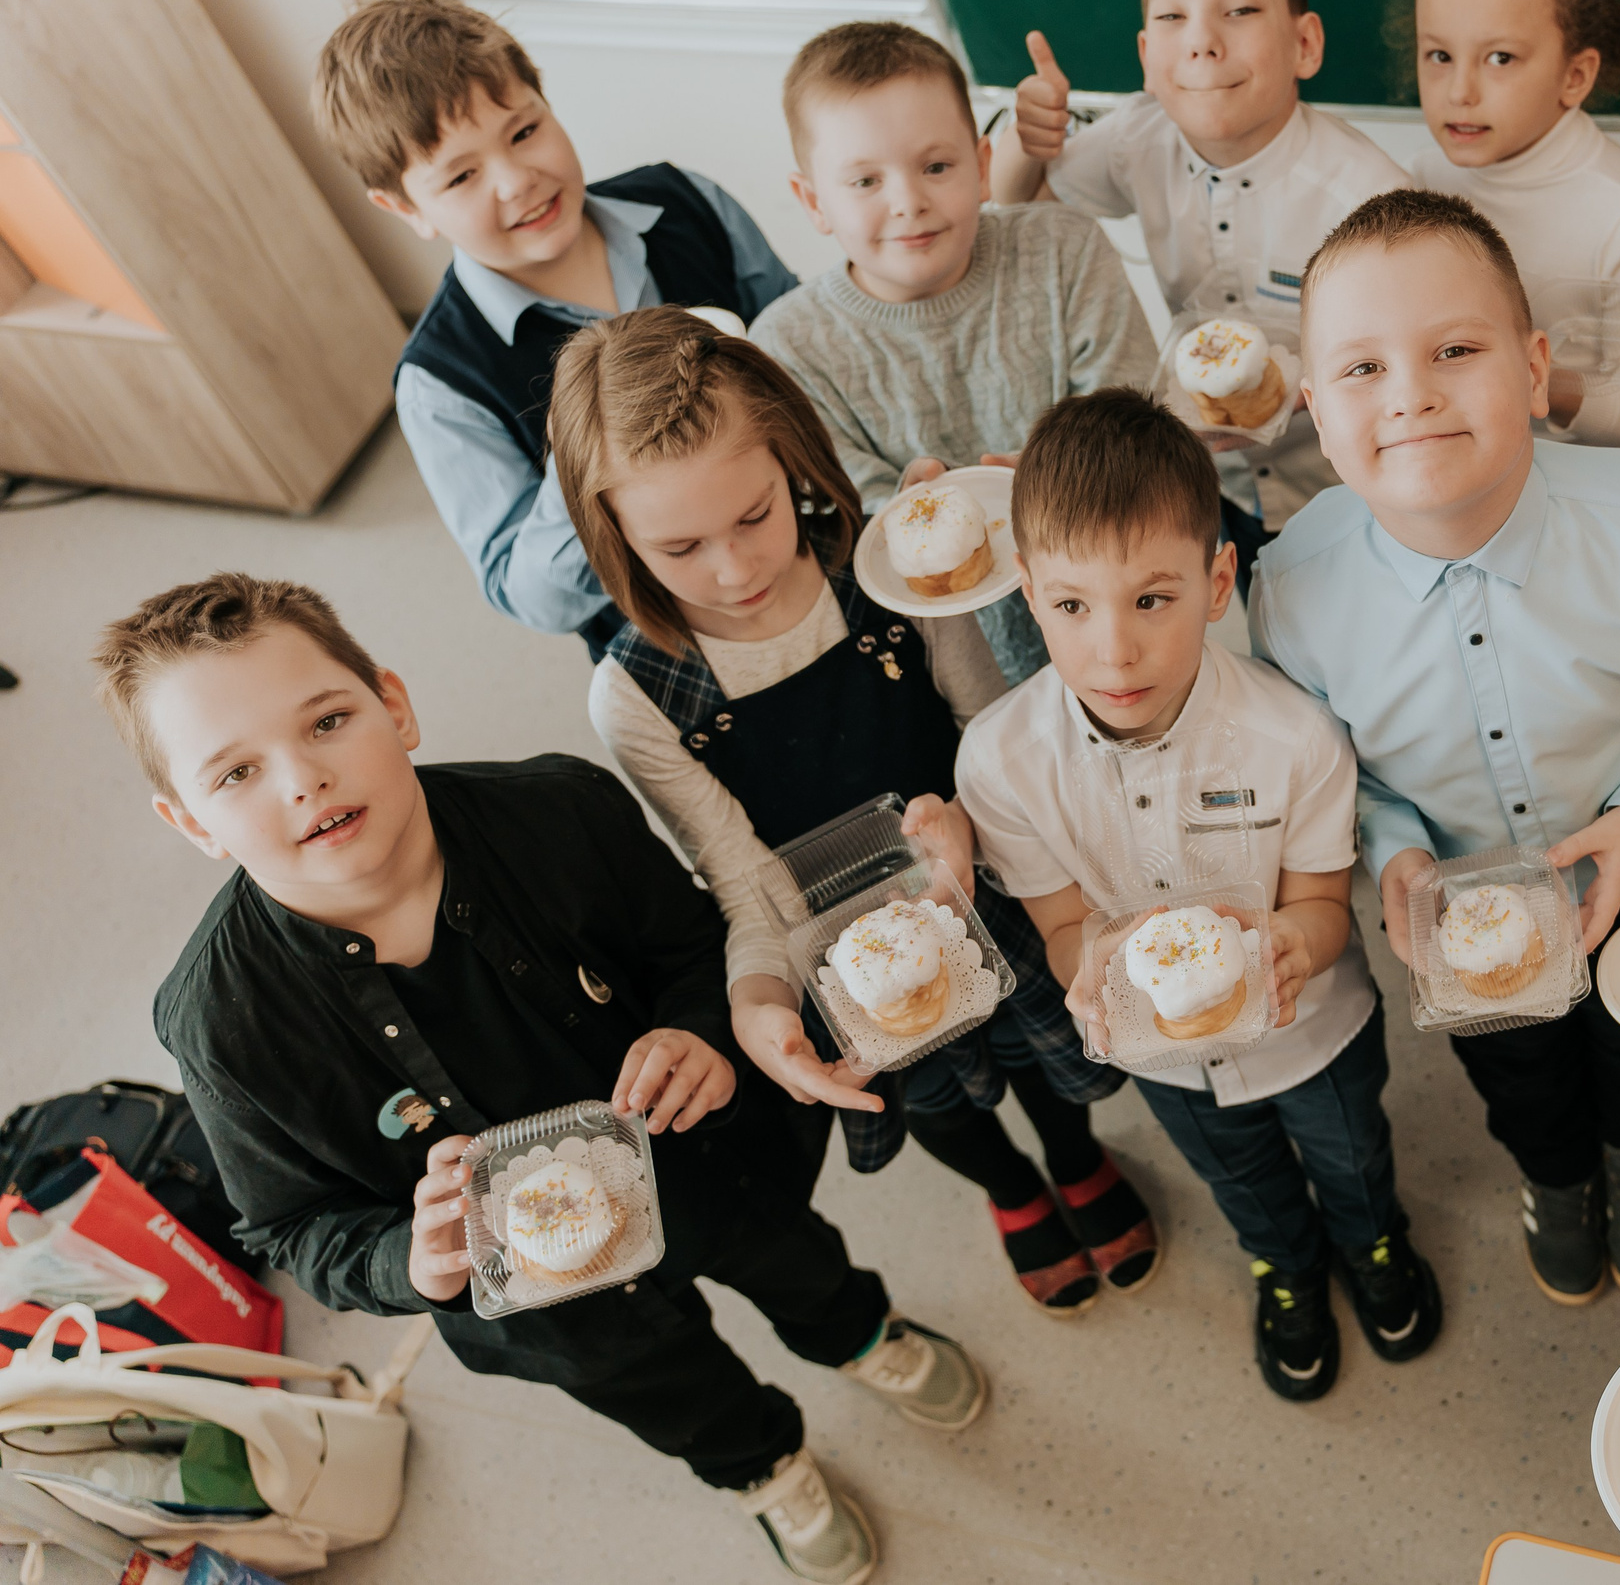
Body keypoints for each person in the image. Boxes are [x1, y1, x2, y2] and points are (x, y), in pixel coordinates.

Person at [105, 574, 986, 1583]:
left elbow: (694, 948)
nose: (301, 779)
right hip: (552, 1307)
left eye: (329, 720)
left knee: (799, 1260)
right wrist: (415, 1260)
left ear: (395, 707)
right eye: (236, 774)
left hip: (705, 1164)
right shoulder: (218, 1023)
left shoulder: (559, 809)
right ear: (189, 824)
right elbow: (290, 1228)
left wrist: (700, 1030)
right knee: (665, 1387)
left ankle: (861, 1334)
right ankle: (763, 1466)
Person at [552, 308, 1156, 1318]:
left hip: (986, 882)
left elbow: (988, 731)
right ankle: (1011, 1189)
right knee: (926, 1095)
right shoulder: (637, 694)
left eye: (754, 516)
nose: (736, 570)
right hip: (834, 948)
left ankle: (1073, 1157)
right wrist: (757, 1002)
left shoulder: (886, 572)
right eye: (682, 547)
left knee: (1037, 1054)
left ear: (792, 456)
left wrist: (968, 817)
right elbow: (741, 881)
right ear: (611, 536)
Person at [1252, 188, 1620, 1305]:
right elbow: (1321, 758)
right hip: (1455, 888)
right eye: (1361, 370)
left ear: (1534, 370)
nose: (1412, 397)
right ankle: (1556, 1175)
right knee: (1515, 1071)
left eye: (1454, 348)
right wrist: (1390, 850)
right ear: (1311, 406)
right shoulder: (1291, 589)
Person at [955, 388, 1441, 1401]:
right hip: (1166, 1059)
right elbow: (1056, 921)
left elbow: (1319, 903)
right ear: (1027, 591)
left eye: (1152, 597)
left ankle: (1373, 1242)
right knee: (1239, 1176)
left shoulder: (1294, 737)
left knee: (1351, 1156)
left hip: (1315, 1030)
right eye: (1074, 605)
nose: (1114, 650)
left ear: (1219, 581)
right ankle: (1285, 1265)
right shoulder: (999, 760)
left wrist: (1287, 949)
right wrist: (1086, 972)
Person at [313, 0, 797, 655]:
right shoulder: (442, 385)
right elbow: (532, 596)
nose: (516, 180)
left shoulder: (689, 203)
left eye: (525, 131)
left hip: (806, 547)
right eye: (461, 178)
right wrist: (582, 458)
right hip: (681, 651)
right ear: (404, 209)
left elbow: (807, 344)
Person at [993, 0, 1408, 564]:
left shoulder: (1373, 199)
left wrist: (1267, 404)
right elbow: (1024, 208)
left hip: (1355, 491)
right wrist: (1024, 140)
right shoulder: (1137, 136)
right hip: (1227, 493)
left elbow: (1403, 361)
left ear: (1304, 43)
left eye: (1240, 10)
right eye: (1171, 16)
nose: (1202, 41)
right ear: (1147, 55)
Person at [749, 20, 1156, 682]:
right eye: (865, 182)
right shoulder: (788, 346)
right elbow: (849, 521)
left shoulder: (1066, 248)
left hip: (1118, 620)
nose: (909, 202)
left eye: (936, 166)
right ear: (812, 200)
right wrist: (899, 510)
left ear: (982, 165)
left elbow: (1137, 414)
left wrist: (1073, 468)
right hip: (950, 674)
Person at [1397, 0, 1620, 452]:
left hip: (1590, 477)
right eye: (1438, 54)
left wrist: (1528, 375)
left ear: (1575, 76)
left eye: (1500, 58)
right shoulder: (1415, 181)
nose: (1460, 91)